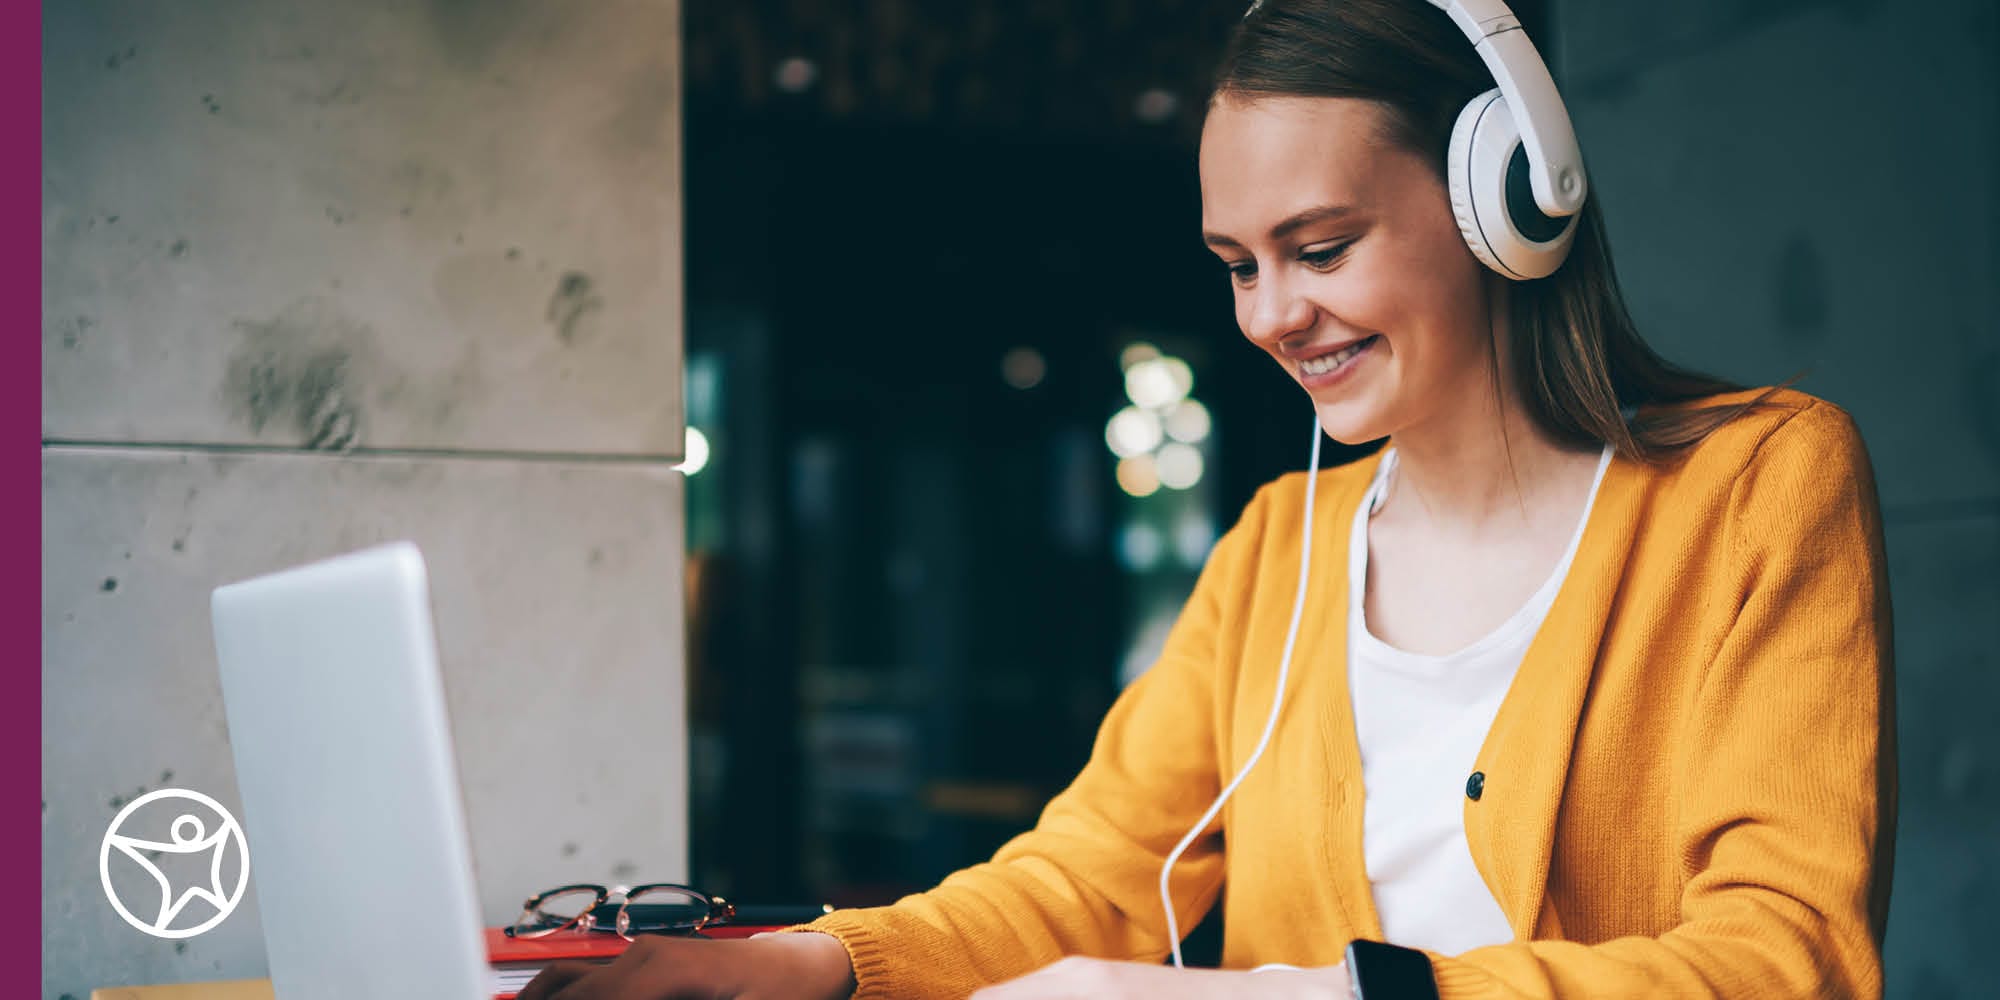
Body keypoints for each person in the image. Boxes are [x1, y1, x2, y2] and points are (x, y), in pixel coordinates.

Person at [520, 1, 1895, 997]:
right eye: (1238, 264)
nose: (1275, 315)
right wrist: (811, 965)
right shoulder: (1275, 552)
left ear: (1508, 201)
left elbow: (1790, 958)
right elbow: (1092, 878)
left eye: (1322, 247)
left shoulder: (1759, 485)